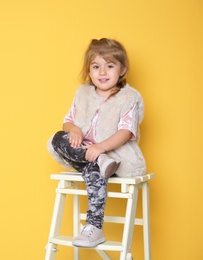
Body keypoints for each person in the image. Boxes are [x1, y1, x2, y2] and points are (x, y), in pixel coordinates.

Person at [47, 38, 146, 248]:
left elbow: (126, 131)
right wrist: (73, 129)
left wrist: (100, 148)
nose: (102, 72)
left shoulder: (128, 98)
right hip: (85, 152)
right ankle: (97, 160)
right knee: (57, 138)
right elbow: (68, 121)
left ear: (122, 70)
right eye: (96, 67)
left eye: (109, 66)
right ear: (89, 71)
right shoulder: (82, 94)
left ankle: (93, 226)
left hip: (114, 156)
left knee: (94, 168)